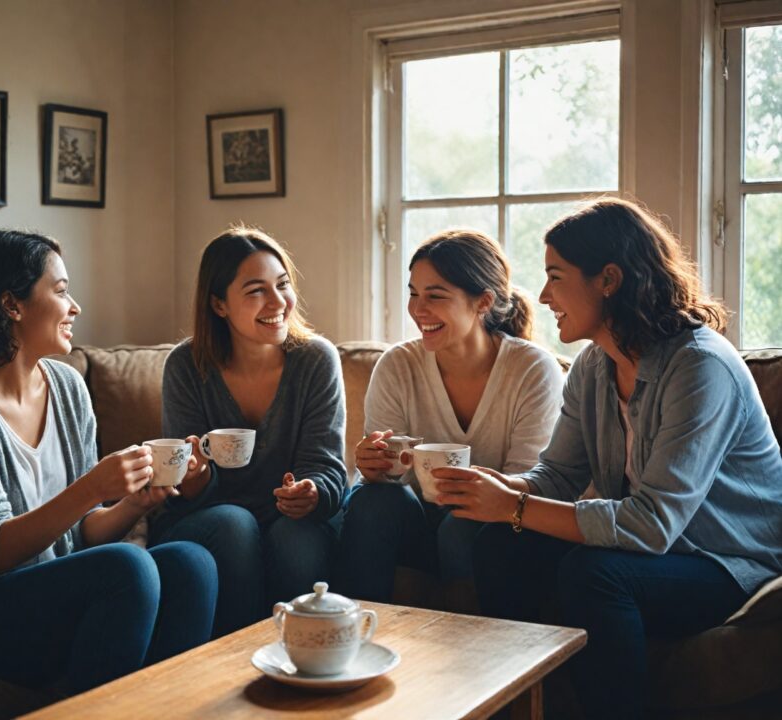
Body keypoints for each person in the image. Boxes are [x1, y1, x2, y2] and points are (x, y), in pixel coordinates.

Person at [431, 199, 782, 719]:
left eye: (555, 276)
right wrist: (504, 491)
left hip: (728, 563)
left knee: (593, 574)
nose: (544, 295)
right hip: (658, 552)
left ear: (609, 279)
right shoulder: (595, 365)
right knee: (500, 544)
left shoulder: (700, 368)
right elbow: (560, 474)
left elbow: (652, 525)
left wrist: (515, 506)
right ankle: (520, 708)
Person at [0, 230, 218, 696]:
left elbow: (79, 535)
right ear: (12, 304)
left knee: (192, 561)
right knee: (128, 569)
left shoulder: (66, 387)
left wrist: (134, 504)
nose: (75, 306)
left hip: (42, 592)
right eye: (61, 291)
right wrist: (92, 488)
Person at [335, 229, 565, 605]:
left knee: (462, 524)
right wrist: (374, 465)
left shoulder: (532, 370)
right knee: (371, 502)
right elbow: (388, 476)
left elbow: (529, 482)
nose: (417, 309)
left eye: (435, 296)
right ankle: (354, 636)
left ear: (483, 302)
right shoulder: (397, 365)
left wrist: (470, 494)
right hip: (414, 525)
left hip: (490, 530)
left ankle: (476, 652)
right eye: (413, 293)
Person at [148, 226, 348, 637]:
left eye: (283, 285)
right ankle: (237, 663)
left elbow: (327, 467)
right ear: (219, 304)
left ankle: (307, 658)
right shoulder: (187, 366)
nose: (278, 302)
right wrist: (197, 476)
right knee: (234, 524)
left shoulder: (315, 361)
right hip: (212, 518)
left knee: (298, 538)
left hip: (290, 518)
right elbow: (184, 490)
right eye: (256, 290)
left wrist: (311, 492)